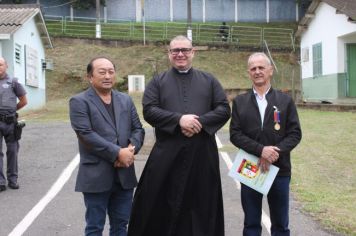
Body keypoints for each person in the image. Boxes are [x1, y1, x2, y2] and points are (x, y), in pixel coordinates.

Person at [128, 35, 231, 236]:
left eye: (185, 50)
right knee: (159, 202)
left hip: (202, 155)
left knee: (201, 204)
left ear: (193, 52)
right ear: (169, 54)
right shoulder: (158, 82)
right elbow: (149, 110)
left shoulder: (209, 80)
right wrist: (178, 120)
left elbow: (224, 109)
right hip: (167, 153)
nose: (180, 54)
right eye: (175, 50)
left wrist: (199, 122)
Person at [69, 57, 145, 236]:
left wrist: (130, 151)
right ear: (90, 76)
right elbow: (85, 134)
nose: (107, 76)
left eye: (111, 71)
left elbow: (138, 129)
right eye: (102, 72)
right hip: (96, 175)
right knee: (95, 227)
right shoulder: (79, 101)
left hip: (124, 176)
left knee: (121, 226)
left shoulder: (125, 100)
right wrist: (118, 153)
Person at [229, 52, 302, 236]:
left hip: (279, 169)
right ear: (249, 72)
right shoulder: (240, 102)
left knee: (280, 225)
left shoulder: (285, 101)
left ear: (270, 71)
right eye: (253, 68)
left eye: (261, 67)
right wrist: (261, 150)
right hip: (250, 167)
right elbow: (235, 135)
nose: (257, 71)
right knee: (251, 224)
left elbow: (295, 134)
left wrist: (274, 153)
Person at [0, 57, 27, 192]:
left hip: (10, 123)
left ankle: (13, 180)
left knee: (12, 151)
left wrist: (11, 111)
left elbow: (23, 100)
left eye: (0, 65)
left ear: (6, 66)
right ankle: (0, 181)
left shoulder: (13, 82)